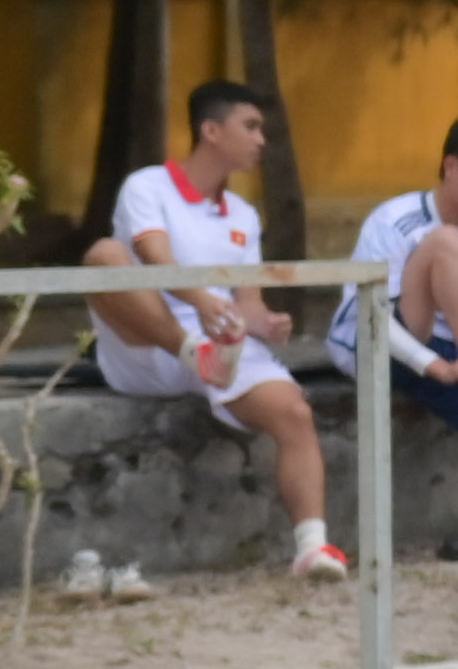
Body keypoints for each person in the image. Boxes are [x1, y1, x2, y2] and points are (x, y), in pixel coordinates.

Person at [79, 80, 347, 578]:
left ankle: (312, 548)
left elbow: (246, 304)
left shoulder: (244, 214)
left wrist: (266, 322)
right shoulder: (147, 186)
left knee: (293, 412)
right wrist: (201, 304)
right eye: (250, 127)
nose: (261, 140)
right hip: (147, 344)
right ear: (211, 130)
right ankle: (191, 353)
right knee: (104, 255)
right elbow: (155, 256)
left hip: (216, 350)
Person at [330, 114, 458, 432]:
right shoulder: (394, 220)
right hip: (373, 345)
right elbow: (374, 318)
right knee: (447, 241)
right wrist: (432, 365)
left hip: (442, 345)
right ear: (451, 166)